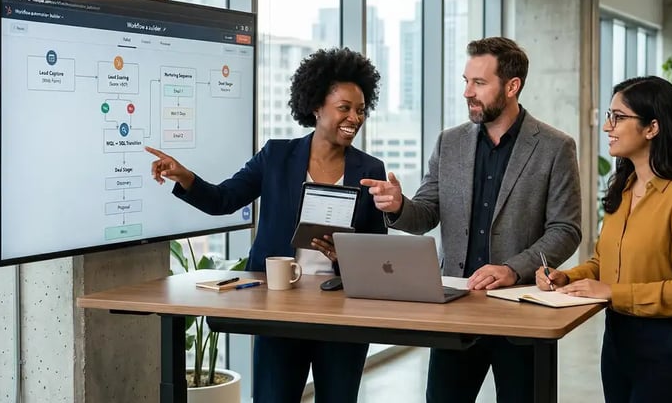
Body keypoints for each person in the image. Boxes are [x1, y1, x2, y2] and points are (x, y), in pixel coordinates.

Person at [146, 47, 386, 403]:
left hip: (342, 310)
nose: (355, 117)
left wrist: (345, 255)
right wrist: (185, 178)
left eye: (361, 110)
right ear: (317, 106)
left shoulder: (370, 169)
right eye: (344, 108)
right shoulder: (276, 156)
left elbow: (377, 249)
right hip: (279, 307)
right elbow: (223, 200)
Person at [361, 36, 582, 403]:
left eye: (479, 83)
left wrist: (513, 268)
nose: (467, 92)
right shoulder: (450, 143)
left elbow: (566, 229)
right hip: (456, 308)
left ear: (512, 87)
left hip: (521, 309)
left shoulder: (555, 146)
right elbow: (427, 212)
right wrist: (398, 206)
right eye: (466, 81)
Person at [535, 76, 672, 403]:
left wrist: (611, 291)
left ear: (652, 127)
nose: (607, 126)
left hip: (669, 347)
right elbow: (604, 262)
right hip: (618, 339)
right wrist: (568, 277)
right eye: (609, 116)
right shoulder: (624, 188)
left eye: (618, 117)